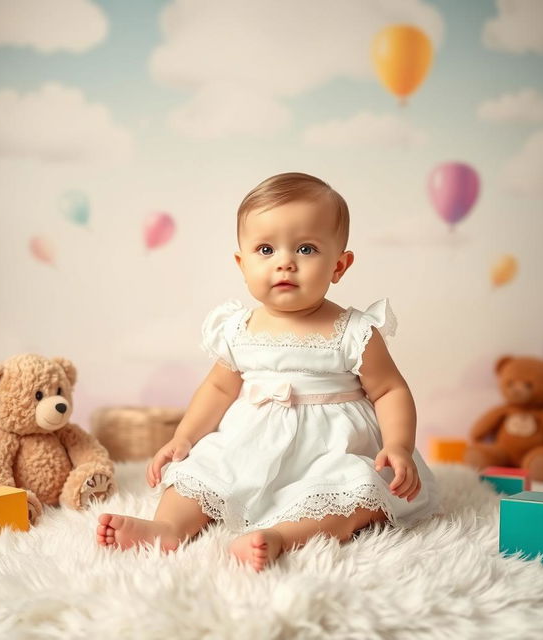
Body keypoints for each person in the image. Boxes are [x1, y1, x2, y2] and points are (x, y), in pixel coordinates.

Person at [97, 172, 440, 571]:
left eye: (307, 248)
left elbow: (389, 391)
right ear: (242, 265)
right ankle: (168, 527)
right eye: (265, 249)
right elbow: (219, 389)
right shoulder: (238, 328)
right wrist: (185, 437)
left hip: (330, 450)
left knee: (357, 494)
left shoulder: (354, 331)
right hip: (251, 445)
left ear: (339, 266)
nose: (285, 262)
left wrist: (397, 445)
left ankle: (282, 536)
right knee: (199, 472)